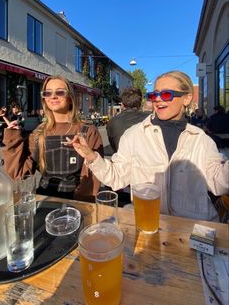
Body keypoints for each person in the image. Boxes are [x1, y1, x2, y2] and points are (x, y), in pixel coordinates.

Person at [67, 70, 228, 221]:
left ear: (186, 98)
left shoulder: (201, 139)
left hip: (194, 230)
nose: (157, 99)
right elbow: (116, 177)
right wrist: (90, 155)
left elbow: (219, 182)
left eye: (165, 94)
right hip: (148, 222)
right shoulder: (134, 135)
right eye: (154, 95)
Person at [3, 75, 104, 202]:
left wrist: (81, 208)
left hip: (77, 202)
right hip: (45, 201)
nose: (53, 96)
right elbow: (18, 173)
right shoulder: (38, 133)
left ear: (70, 98)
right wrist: (13, 137)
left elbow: (92, 178)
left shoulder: (88, 131)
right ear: (44, 99)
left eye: (60, 92)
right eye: (48, 93)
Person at [106, 87, 150, 153]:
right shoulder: (150, 119)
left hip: (121, 160)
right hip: (146, 161)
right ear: (140, 103)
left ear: (122, 104)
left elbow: (113, 145)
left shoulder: (112, 122)